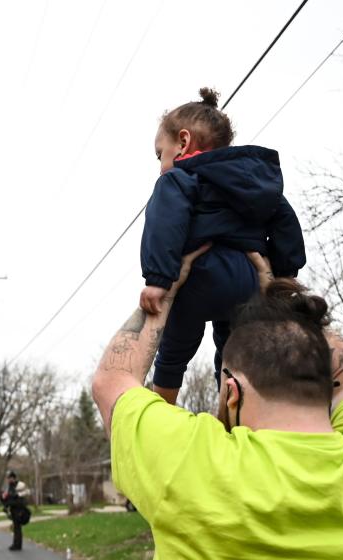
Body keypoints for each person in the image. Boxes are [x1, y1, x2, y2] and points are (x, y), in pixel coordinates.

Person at [91, 248, 343, 560]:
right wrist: (283, 301)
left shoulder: (191, 462)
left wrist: (167, 286)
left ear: (231, 391)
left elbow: (111, 381)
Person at [139, 87, 306, 405]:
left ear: (183, 143)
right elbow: (285, 221)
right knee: (235, 353)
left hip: (198, 275)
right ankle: (232, 413)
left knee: (175, 348)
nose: (160, 165)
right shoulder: (257, 183)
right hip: (249, 280)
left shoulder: (179, 179)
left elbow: (166, 222)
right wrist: (285, 274)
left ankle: (162, 407)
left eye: (160, 154)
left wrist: (158, 279)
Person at [0, 470, 30, 551]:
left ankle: (17, 545)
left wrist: (18, 494)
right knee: (16, 526)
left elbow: (27, 492)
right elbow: (3, 496)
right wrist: (3, 498)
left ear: (14, 478)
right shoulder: (8, 486)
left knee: (17, 527)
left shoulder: (20, 485)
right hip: (12, 508)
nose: (9, 479)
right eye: (8, 478)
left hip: (19, 508)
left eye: (11, 478)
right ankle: (16, 544)